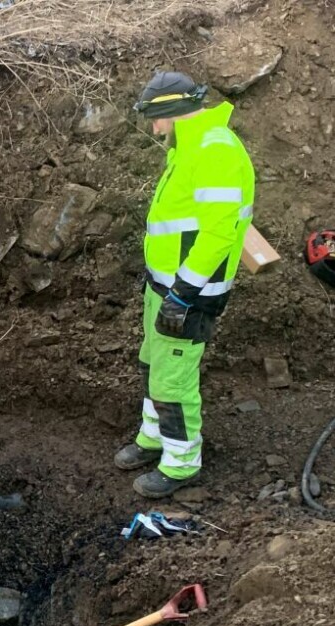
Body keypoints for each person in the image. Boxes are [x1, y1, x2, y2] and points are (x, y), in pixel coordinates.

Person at [116, 71, 255, 498]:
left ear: (172, 112)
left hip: (190, 293)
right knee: (152, 364)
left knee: (173, 380)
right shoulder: (191, 144)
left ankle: (180, 463)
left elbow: (216, 235)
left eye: (156, 119)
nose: (155, 129)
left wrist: (182, 293)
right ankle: (154, 437)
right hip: (167, 286)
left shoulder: (215, 151)